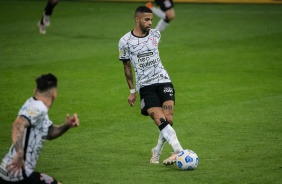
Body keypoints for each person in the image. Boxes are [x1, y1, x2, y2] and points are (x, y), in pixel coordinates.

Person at [118, 6, 183, 165]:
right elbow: (126, 67)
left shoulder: (155, 34)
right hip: (146, 86)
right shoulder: (125, 41)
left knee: (168, 118)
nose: (150, 23)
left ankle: (160, 151)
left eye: (151, 20)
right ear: (137, 19)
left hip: (163, 80)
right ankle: (179, 151)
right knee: (160, 120)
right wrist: (132, 91)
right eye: (147, 20)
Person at [0, 73, 79, 184]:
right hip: (19, 172)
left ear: (35, 90)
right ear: (54, 94)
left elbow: (49, 133)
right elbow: (18, 125)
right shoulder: (39, 108)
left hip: (8, 170)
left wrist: (66, 126)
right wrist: (20, 153)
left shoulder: (34, 105)